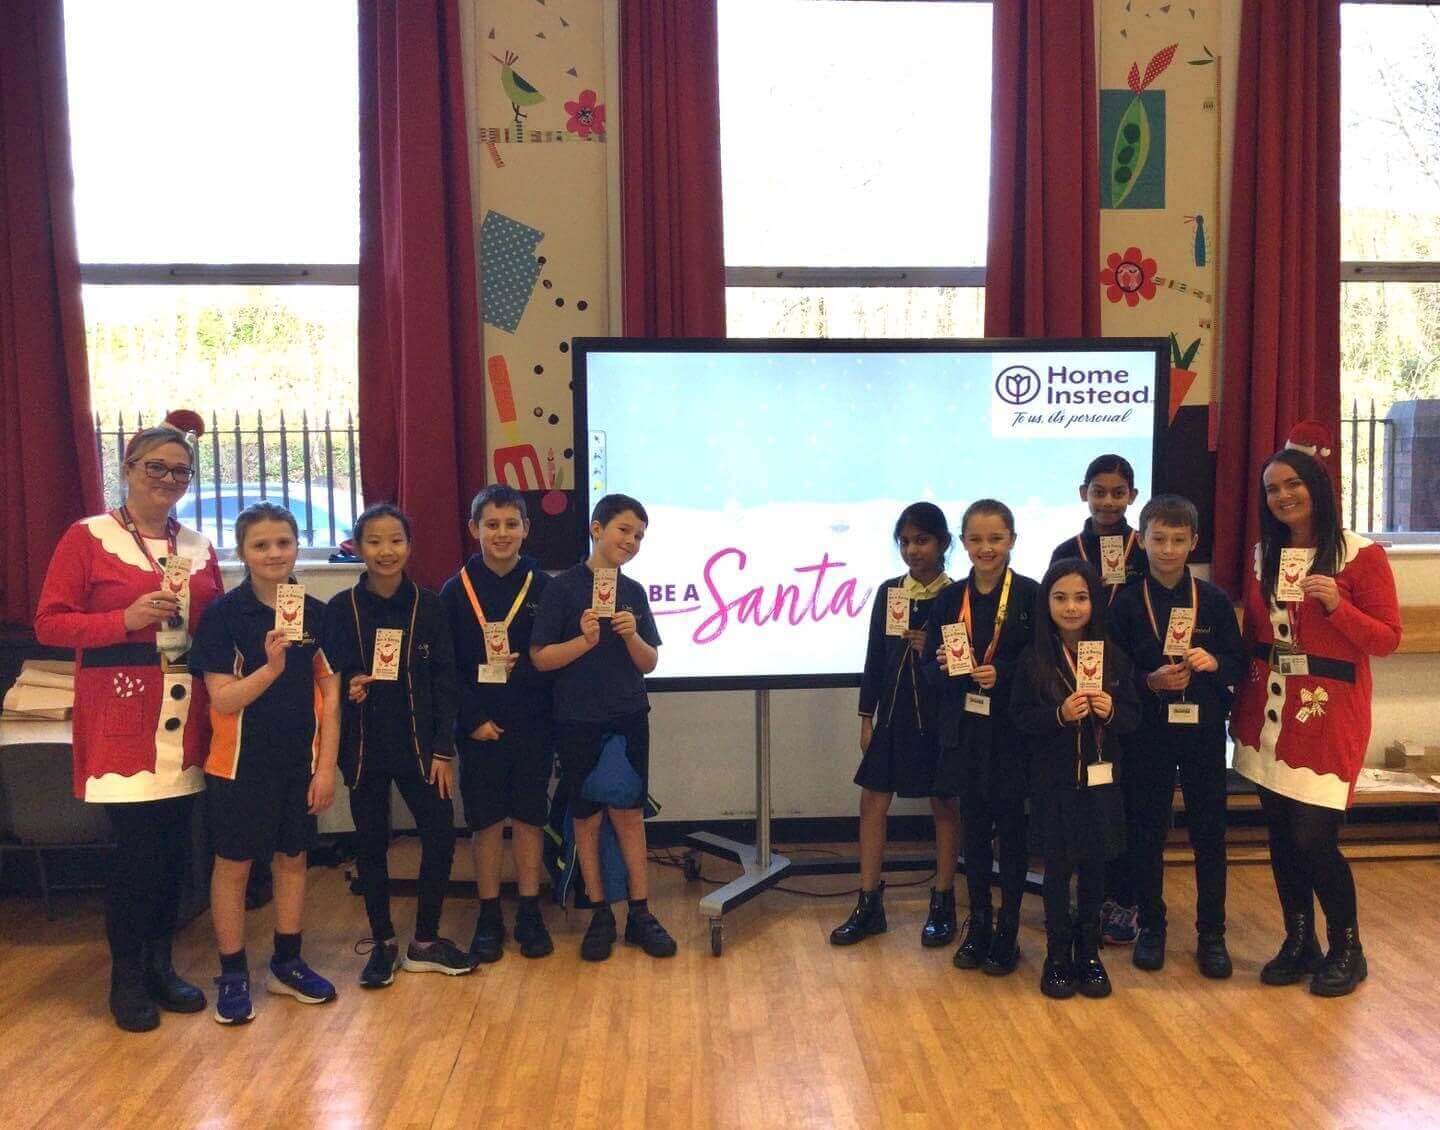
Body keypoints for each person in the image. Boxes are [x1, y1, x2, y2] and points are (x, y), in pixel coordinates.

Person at [35, 412, 221, 1032]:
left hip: (184, 715)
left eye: (179, 471)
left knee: (174, 853)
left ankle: (163, 966)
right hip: (120, 714)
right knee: (137, 854)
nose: (167, 479)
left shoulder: (198, 546)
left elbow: (215, 627)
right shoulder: (86, 537)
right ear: (127, 471)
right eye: (155, 468)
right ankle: (128, 977)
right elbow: (51, 623)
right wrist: (125, 619)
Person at [1231, 425, 1402, 997]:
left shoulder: (1361, 554)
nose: (1283, 496)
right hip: (1268, 713)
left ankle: (1347, 946)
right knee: (1279, 835)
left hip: (1328, 716)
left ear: (1317, 487)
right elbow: (1258, 632)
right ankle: (1298, 939)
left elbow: (1386, 639)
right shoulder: (1263, 555)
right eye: (1273, 489)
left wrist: (1337, 606)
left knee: (1314, 839)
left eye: (1293, 484)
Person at [190, 502, 341, 1024]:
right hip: (236, 766)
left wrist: (325, 769)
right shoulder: (223, 617)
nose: (274, 553)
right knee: (233, 866)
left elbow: (331, 694)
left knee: (293, 860)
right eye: (261, 545)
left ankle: (287, 962)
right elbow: (224, 701)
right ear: (242, 553)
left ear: (297, 546)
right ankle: (232, 971)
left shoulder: (315, 614)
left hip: (297, 765)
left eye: (284, 542)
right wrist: (271, 668)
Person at [324, 503, 471, 987]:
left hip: (422, 748)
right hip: (364, 746)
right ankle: (383, 943)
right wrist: (349, 685)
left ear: (409, 546)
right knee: (370, 843)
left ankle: (424, 941)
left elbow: (447, 681)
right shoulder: (341, 609)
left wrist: (444, 749)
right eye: (374, 541)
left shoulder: (429, 605)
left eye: (396, 541)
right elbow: (327, 679)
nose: (386, 551)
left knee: (440, 834)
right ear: (358, 547)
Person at [530, 493, 676, 961]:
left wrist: (631, 634)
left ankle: (640, 913)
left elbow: (649, 662)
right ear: (596, 529)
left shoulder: (633, 593)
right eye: (624, 530)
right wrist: (584, 640)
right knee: (586, 819)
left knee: (630, 816)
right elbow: (540, 657)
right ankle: (599, 913)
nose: (631, 542)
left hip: (628, 717)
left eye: (639, 536)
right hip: (576, 719)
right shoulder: (562, 588)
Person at [1110, 494, 1245, 977]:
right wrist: (1148, 680)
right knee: (1146, 830)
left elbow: (1239, 662)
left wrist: (1215, 663)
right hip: (1148, 733)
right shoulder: (1125, 603)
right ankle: (1152, 926)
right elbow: (1112, 671)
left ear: (1194, 543)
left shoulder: (1211, 599)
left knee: (1210, 831)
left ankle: (1212, 933)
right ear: (1141, 541)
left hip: (1204, 730)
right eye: (1158, 539)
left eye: (1178, 540)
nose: (1167, 549)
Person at [832, 502, 958, 948]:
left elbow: (958, 665)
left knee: (944, 805)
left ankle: (944, 900)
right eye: (904, 541)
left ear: (943, 543)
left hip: (940, 717)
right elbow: (874, 658)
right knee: (872, 802)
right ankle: (869, 902)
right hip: (893, 715)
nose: (912, 550)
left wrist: (931, 647)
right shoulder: (891, 593)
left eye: (921, 540)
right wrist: (867, 716)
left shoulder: (956, 595)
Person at [1012, 560, 1139, 999]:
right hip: (1054, 784)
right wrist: (1058, 714)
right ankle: (1057, 954)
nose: (1070, 607)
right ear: (1046, 602)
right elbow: (1020, 719)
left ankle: (1090, 952)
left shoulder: (1113, 656)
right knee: (1057, 870)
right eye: (1060, 597)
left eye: (1081, 597)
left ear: (1095, 602)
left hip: (1102, 783)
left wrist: (1113, 711)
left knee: (1094, 869)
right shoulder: (1033, 659)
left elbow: (1135, 719)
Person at [439, 485, 555, 962]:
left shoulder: (546, 587)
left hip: (532, 721)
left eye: (511, 524)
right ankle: (489, 913)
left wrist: (521, 670)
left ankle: (529, 909)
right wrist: (472, 721)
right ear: (474, 530)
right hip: (479, 725)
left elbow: (552, 658)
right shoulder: (453, 590)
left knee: (529, 817)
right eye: (492, 524)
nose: (502, 533)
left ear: (526, 528)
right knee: (485, 821)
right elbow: (446, 669)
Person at [925, 500, 1037, 974]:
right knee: (972, 832)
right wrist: (941, 667)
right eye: (976, 539)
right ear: (963, 542)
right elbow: (934, 667)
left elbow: (1046, 665)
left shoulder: (1032, 596)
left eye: (995, 538)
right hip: (966, 732)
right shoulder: (950, 600)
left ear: (1012, 539)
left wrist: (1005, 673)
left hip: (1012, 734)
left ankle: (1009, 928)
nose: (986, 548)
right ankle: (979, 925)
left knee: (1010, 834)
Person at [1049, 453, 1149, 946]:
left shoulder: (1145, 549)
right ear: (1082, 492)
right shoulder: (1066, 550)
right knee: (1080, 796)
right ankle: (1083, 894)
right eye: (1098, 491)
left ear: (1133, 495)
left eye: (1117, 492)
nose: (1108, 501)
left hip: (1127, 688)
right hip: (1074, 690)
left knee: (1122, 796)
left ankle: (1123, 900)